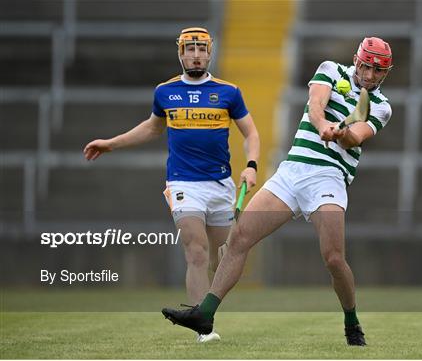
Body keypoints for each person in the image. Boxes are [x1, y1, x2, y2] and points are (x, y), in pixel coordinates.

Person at [161, 36, 393, 346]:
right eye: (366, 66)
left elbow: (358, 136)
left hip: (328, 178)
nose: (370, 75)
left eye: (378, 71)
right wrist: (323, 124)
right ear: (356, 59)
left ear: (385, 72)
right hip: (292, 171)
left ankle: (352, 323)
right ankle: (205, 314)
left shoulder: (381, 107)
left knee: (334, 259)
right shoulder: (331, 69)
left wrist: (344, 134)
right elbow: (315, 105)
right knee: (240, 237)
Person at [83, 27, 260, 343]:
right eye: (190, 49)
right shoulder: (165, 92)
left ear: (210, 53)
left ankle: (205, 308)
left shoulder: (229, 92)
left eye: (202, 49)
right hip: (183, 183)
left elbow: (251, 134)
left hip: (221, 184)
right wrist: (110, 143)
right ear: (180, 53)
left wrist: (251, 166)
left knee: (225, 257)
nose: (196, 55)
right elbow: (152, 128)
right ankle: (203, 328)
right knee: (196, 250)